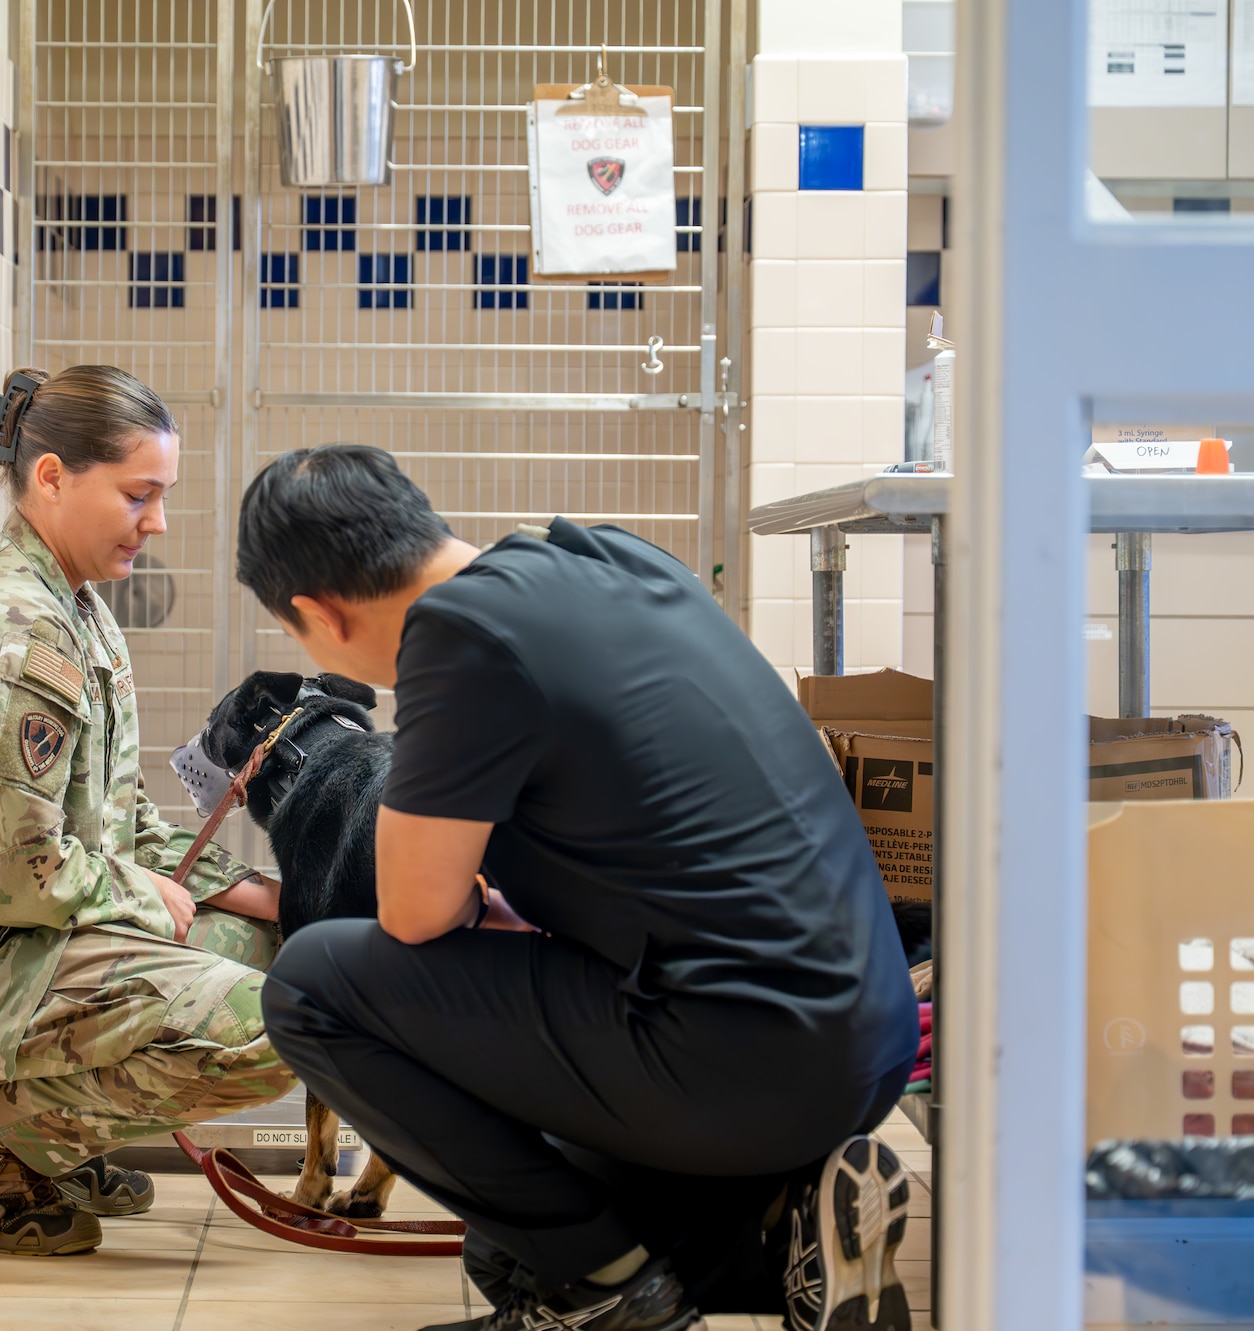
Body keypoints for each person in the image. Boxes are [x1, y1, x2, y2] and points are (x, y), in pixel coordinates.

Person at [234, 445, 920, 1331]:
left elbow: (411, 912)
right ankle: (787, 1227)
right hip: (864, 1042)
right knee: (509, 1253)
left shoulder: (456, 635)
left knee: (313, 981)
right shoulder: (607, 557)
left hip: (745, 1056)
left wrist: (480, 905)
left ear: (316, 614)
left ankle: (614, 1296)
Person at [0, 365, 292, 1256]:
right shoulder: (14, 634)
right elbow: (22, 878)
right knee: (288, 1024)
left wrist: (261, 892)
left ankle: (53, 1132)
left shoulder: (76, 612)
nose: (157, 522)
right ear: (51, 476)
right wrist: (146, 899)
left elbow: (123, 824)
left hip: (19, 940)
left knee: (296, 956)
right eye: (140, 494)